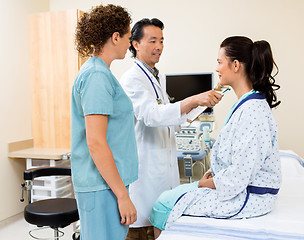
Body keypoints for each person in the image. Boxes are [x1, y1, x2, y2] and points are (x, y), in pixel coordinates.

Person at [149, 36, 282, 238]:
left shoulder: (252, 111)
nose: (217, 69)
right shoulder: (246, 105)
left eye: (220, 62)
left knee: (164, 204)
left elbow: (239, 175)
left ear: (235, 65)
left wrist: (205, 184)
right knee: (172, 196)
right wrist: (211, 176)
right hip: (235, 186)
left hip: (249, 197)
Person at [120, 18, 222, 239]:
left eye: (162, 41)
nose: (159, 47)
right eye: (153, 40)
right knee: (143, 229)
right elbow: (152, 116)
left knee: (161, 225)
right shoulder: (132, 80)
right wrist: (194, 98)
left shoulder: (154, 79)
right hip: (145, 176)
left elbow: (172, 121)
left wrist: (200, 104)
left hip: (162, 175)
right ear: (135, 44)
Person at [71, 4, 138, 239]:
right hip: (101, 186)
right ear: (115, 37)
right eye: (129, 37)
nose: (130, 44)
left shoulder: (100, 73)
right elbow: (96, 143)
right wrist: (122, 195)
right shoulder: (97, 77)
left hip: (106, 183)